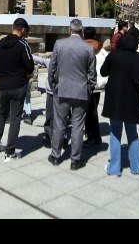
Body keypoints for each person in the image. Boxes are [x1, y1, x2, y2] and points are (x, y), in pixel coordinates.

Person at [47, 19, 96, 170]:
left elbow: (52, 67)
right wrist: (89, 88)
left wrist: (53, 84)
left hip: (61, 90)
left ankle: (55, 155)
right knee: (77, 126)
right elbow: (92, 73)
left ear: (69, 30)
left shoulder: (59, 44)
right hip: (81, 91)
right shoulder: (88, 48)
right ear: (81, 31)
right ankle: (75, 160)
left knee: (59, 124)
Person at [0, 18, 34, 162]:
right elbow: (30, 66)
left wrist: (2, 76)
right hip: (18, 85)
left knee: (2, 114)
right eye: (26, 32)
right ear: (23, 30)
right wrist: (25, 77)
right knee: (15, 118)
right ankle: (10, 152)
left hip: (3, 85)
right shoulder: (23, 44)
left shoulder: (0, 43)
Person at [101, 31, 139, 177]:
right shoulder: (138, 57)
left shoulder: (114, 55)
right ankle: (136, 167)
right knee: (132, 133)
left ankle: (114, 168)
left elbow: (103, 72)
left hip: (115, 100)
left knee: (115, 132)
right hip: (133, 100)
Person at [84, 36, 109, 146]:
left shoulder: (88, 52)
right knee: (93, 110)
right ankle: (91, 134)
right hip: (99, 85)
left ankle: (94, 137)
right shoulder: (103, 53)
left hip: (90, 86)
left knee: (90, 112)